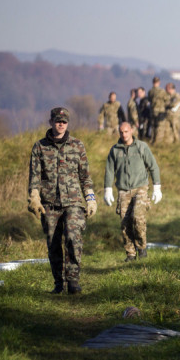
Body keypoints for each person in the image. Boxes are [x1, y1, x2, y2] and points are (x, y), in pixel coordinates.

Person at [27, 107, 97, 294]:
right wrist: (34, 197)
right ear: (51, 122)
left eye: (64, 122)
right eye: (58, 121)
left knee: (73, 237)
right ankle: (59, 283)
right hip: (49, 203)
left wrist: (90, 199)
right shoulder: (39, 147)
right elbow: (34, 177)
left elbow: (85, 177)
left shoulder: (77, 145)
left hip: (73, 202)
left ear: (68, 123)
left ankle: (73, 280)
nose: (61, 124)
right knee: (53, 242)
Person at [103, 121, 162, 261]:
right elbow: (110, 170)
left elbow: (153, 166)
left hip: (140, 187)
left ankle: (141, 247)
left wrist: (157, 187)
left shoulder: (141, 147)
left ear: (131, 131)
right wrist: (107, 189)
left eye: (126, 131)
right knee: (125, 223)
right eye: (121, 132)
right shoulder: (115, 150)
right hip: (123, 190)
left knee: (137, 217)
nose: (124, 135)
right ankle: (130, 253)